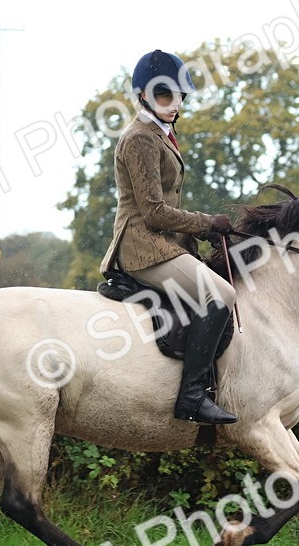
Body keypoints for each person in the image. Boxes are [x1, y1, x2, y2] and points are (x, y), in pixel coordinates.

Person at [99, 49, 238, 425]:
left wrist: (204, 233)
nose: (175, 105)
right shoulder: (140, 138)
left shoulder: (162, 133)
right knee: (221, 294)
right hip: (141, 246)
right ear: (143, 94)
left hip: (164, 243)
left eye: (181, 96)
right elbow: (154, 212)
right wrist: (206, 222)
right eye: (165, 96)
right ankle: (191, 398)